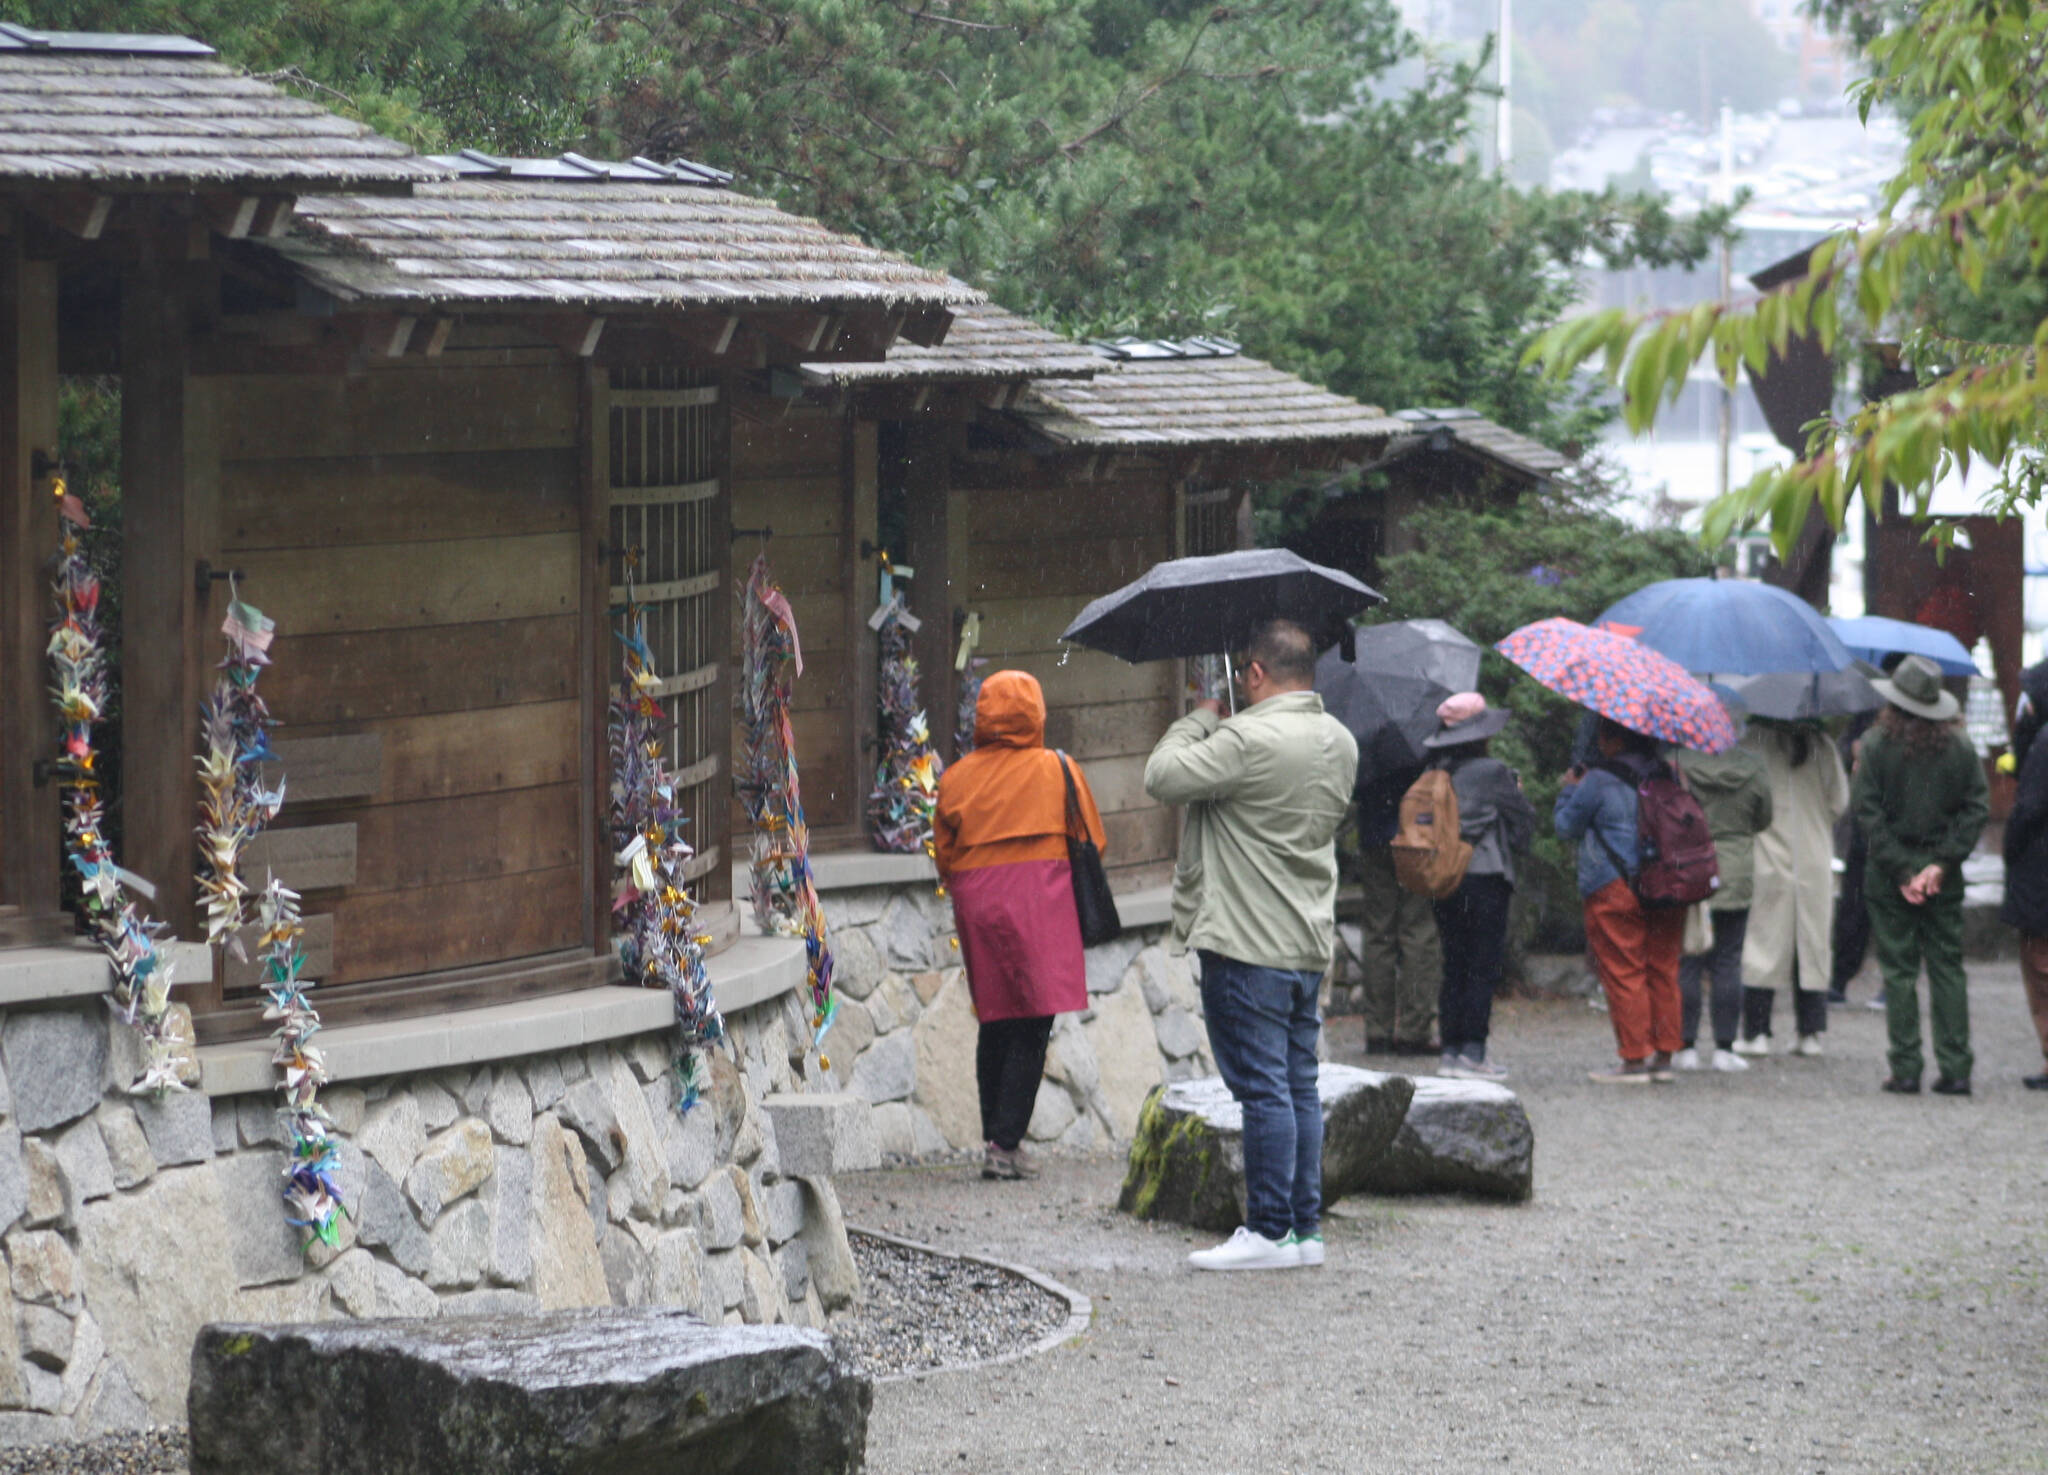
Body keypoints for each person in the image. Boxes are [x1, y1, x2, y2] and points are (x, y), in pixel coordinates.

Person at [1144, 617, 1358, 1271]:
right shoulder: (1339, 740)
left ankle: (1266, 1228)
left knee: (1263, 1088)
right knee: (1297, 1085)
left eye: (1242, 674)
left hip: (1245, 939)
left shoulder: (1246, 737)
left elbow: (1163, 775)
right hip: (1305, 938)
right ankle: (1302, 1229)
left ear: (1257, 674)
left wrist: (1201, 715)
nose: (1238, 684)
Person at [932, 670, 1108, 1180]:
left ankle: (996, 1138)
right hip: (1042, 901)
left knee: (996, 1015)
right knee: (1034, 1019)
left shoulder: (957, 777)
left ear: (982, 715)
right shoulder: (1058, 769)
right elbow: (1091, 841)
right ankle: (1006, 1143)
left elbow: (944, 854)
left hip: (979, 903)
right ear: (1036, 713)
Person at [1855, 654, 1989, 1095]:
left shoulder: (1875, 745)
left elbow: (1868, 814)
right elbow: (1975, 808)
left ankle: (1906, 1067)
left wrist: (1902, 869)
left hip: (1889, 876)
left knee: (1898, 971)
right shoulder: (1960, 748)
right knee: (1947, 967)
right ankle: (1956, 1068)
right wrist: (1939, 865)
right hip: (1942, 877)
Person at [1555, 717, 1685, 1085]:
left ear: (1615, 740)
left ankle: (1633, 1059)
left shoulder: (1597, 780)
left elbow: (1566, 826)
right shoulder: (1670, 775)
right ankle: (1664, 1056)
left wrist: (1569, 788)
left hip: (1614, 884)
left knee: (1624, 969)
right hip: (1668, 886)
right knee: (1663, 966)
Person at [1421, 694, 1535, 1081]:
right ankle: (1474, 1050)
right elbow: (1524, 829)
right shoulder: (1493, 771)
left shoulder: (1434, 770)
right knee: (1482, 965)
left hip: (1444, 877)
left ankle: (1451, 1050)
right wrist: (1515, 792)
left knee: (1454, 964)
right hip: (1485, 875)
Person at [1735, 717, 1848, 1057]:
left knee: (1762, 942)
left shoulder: (1753, 741)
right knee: (1811, 943)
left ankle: (1756, 1033)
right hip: (1813, 854)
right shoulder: (1821, 745)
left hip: (1767, 852)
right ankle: (1809, 1033)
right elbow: (1839, 801)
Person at [1672, 702, 1773, 1073]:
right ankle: (1725, 1047)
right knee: (1728, 960)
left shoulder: (1680, 762)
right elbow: (1765, 817)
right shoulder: (1753, 767)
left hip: (1690, 868)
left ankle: (1683, 1045)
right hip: (1736, 869)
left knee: (1688, 957)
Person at [1354, 762, 1442, 1056]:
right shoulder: (1424, 737)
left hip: (1374, 835)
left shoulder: (1365, 736)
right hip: (1417, 837)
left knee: (1378, 932)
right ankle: (1413, 1031)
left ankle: (1377, 1030)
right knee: (1418, 931)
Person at [2000, 659, 2048, 1091]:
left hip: (2041, 877)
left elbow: (2029, 810)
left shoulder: (2044, 742)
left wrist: (2009, 850)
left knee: (2041, 972)